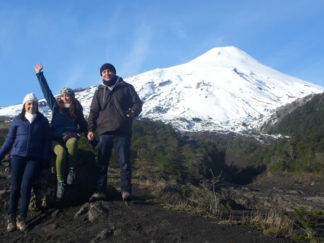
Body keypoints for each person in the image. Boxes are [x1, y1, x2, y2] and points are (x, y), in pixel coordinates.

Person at [87, 63, 142, 202]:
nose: (107, 73)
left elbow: (137, 103)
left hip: (122, 131)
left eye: (109, 71)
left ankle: (126, 191)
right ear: (101, 75)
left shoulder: (126, 87)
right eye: (104, 72)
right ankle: (100, 191)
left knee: (124, 163)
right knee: (102, 163)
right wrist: (90, 129)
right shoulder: (99, 91)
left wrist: (133, 112)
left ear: (114, 72)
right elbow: (93, 111)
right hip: (104, 131)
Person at [34, 64, 88, 200]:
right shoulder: (55, 107)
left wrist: (90, 137)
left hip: (70, 135)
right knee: (61, 154)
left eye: (68, 96)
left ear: (72, 97)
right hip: (55, 138)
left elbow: (83, 125)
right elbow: (46, 91)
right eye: (63, 96)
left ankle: (71, 171)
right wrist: (40, 75)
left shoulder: (77, 110)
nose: (65, 98)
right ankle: (60, 182)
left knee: (73, 141)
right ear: (60, 97)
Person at [0, 93, 50, 232]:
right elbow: (9, 141)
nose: (32, 106)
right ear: (24, 105)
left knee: (26, 186)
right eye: (29, 103)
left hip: (34, 159)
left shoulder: (43, 121)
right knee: (15, 187)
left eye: (34, 103)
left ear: (37, 106)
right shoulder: (17, 120)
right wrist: (1, 155)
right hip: (16, 157)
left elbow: (46, 142)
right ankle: (11, 217)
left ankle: (21, 217)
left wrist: (45, 158)